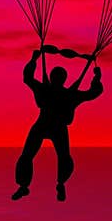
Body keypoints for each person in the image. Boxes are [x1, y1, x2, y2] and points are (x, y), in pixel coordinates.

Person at [12, 45, 103, 202]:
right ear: (64, 79)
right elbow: (93, 93)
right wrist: (96, 77)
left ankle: (24, 186)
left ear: (52, 77)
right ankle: (60, 183)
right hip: (57, 127)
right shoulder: (71, 95)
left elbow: (27, 77)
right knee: (63, 157)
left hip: (43, 124)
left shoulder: (43, 89)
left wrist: (34, 60)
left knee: (28, 155)